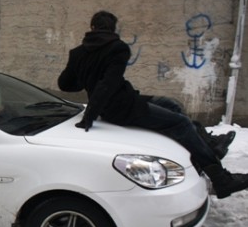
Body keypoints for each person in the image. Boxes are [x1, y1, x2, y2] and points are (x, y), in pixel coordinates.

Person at [58, 10, 248, 199]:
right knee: (180, 123)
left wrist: (86, 77)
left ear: (92, 27)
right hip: (122, 108)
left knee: (171, 104)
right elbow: (107, 84)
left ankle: (209, 146)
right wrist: (89, 115)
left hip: (125, 99)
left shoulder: (77, 53)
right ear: (113, 28)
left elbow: (65, 84)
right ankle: (221, 179)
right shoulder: (118, 48)